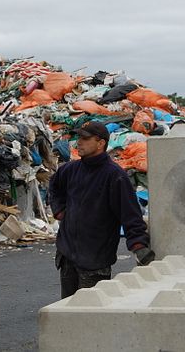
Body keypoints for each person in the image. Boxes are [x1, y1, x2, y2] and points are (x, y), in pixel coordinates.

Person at [49, 121, 155, 298]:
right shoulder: (70, 170)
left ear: (101, 143)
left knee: (91, 316)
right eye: (78, 138)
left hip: (95, 259)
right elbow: (54, 186)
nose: (79, 142)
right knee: (67, 315)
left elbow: (130, 214)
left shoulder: (114, 176)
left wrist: (138, 245)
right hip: (68, 256)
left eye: (85, 138)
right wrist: (59, 210)